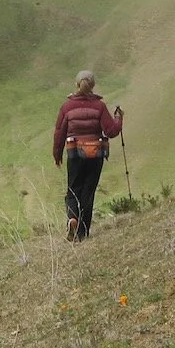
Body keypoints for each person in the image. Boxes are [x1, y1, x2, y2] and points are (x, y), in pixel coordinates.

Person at [52, 70, 123, 241]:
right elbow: (111, 131)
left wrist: (57, 154)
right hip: (95, 154)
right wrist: (119, 119)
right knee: (88, 192)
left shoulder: (67, 107)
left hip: (74, 153)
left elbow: (59, 133)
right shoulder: (99, 106)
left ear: (76, 85)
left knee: (73, 190)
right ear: (92, 86)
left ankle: (72, 218)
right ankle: (83, 233)